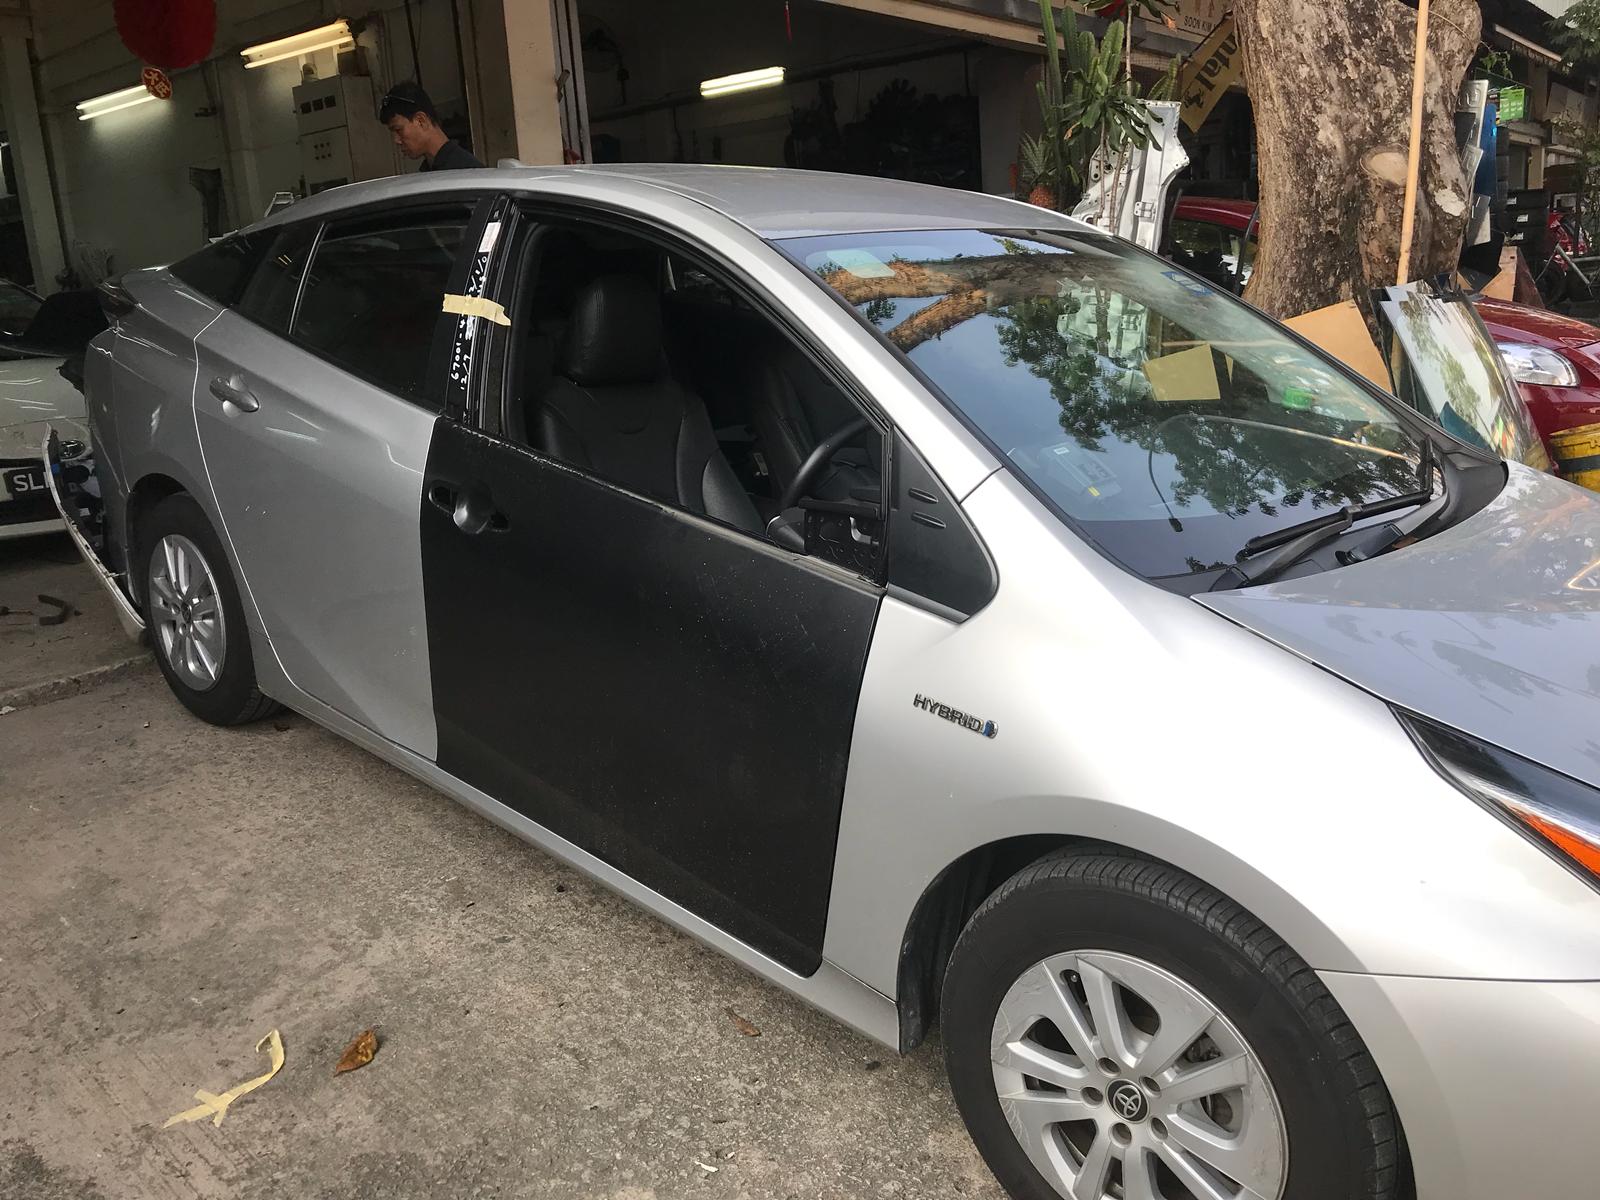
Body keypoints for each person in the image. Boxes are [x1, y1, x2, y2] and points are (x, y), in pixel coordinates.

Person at [378, 81, 483, 171]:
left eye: (398, 130)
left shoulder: (466, 173)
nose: (396, 140)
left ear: (421, 121)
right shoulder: (429, 170)